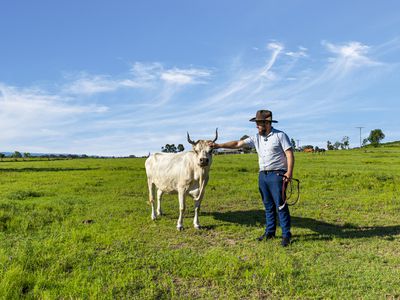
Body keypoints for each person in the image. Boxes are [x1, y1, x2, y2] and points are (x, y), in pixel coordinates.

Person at [209, 109, 294, 247]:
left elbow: (289, 154)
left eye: (259, 123)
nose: (256, 126)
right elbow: (237, 144)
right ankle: (270, 232)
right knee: (268, 206)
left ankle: (286, 235)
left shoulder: (280, 135)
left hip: (277, 175)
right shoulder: (256, 137)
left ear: (267, 123)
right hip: (263, 176)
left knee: (281, 205)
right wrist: (218, 145)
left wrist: (289, 173)